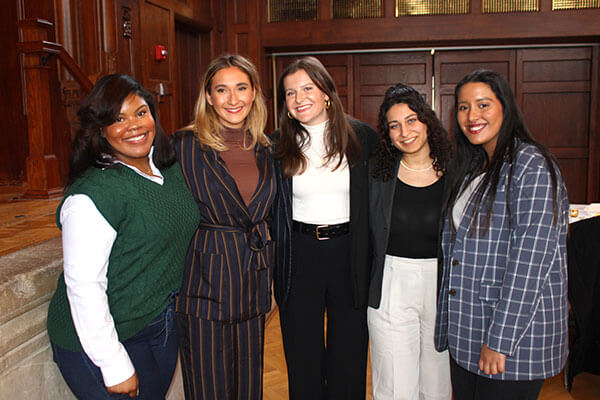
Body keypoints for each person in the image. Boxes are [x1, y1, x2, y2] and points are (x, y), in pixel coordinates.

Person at [46, 74, 200, 399]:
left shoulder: (167, 169)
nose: (134, 125)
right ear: (100, 130)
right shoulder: (93, 195)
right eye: (118, 118)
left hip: (158, 320)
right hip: (101, 341)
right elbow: (84, 286)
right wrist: (113, 363)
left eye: (140, 112)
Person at [434, 69, 570, 400]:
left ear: (505, 108)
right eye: (463, 107)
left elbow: (531, 263)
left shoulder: (530, 165)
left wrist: (499, 341)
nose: (472, 116)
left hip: (509, 341)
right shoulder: (474, 167)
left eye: (483, 105)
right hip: (470, 329)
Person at [170, 54, 275, 400]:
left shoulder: (267, 148)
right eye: (222, 90)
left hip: (252, 282)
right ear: (209, 97)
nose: (233, 100)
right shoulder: (182, 147)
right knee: (208, 390)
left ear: (255, 93)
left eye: (241, 88)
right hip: (204, 286)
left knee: (249, 388)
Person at [271, 56, 377, 399]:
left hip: (350, 253)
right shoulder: (277, 145)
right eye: (290, 93)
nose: (299, 97)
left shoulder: (361, 137)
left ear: (326, 92)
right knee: (302, 352)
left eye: (307, 88)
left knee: (350, 350)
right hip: (299, 256)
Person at [368, 83, 452, 400]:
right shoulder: (378, 176)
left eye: (412, 120)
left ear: (427, 122)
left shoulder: (456, 173)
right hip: (391, 282)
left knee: (437, 384)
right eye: (394, 125)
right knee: (393, 385)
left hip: (443, 283)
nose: (405, 131)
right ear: (387, 134)